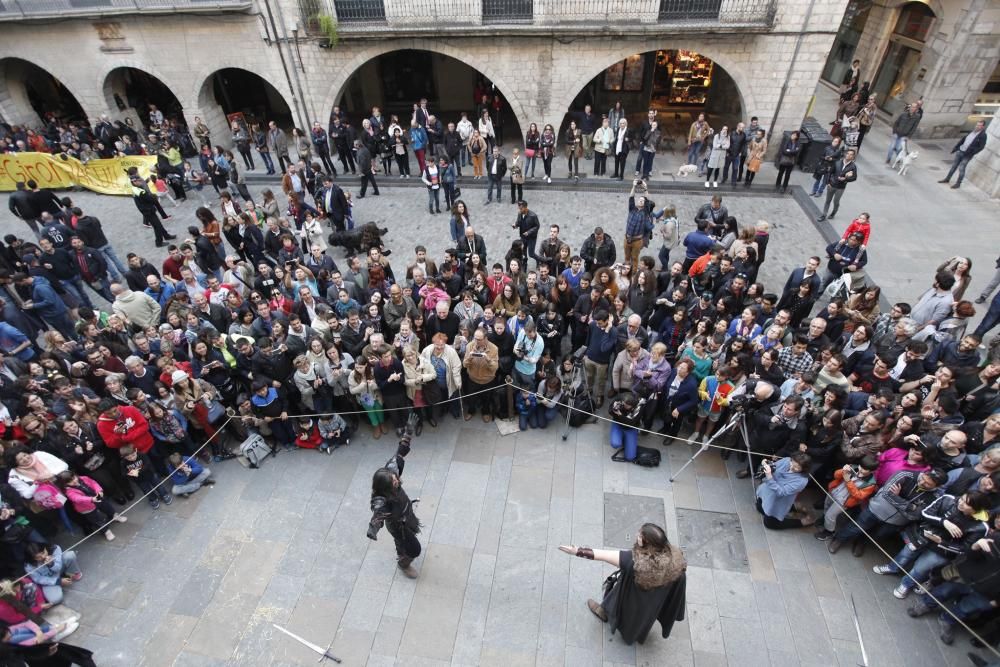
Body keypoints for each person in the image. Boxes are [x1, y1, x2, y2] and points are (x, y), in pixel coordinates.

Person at [558, 523, 686, 645]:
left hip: (633, 599)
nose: (637, 535)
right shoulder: (676, 562)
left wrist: (577, 551)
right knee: (645, 617)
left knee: (621, 608)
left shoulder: (634, 562)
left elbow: (602, 555)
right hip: (655, 602)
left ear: (647, 543)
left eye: (640, 535)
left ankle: (604, 613)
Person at [367, 439, 422, 578]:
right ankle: (403, 563)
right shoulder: (382, 500)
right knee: (415, 549)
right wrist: (373, 529)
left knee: (406, 538)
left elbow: (399, 455)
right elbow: (378, 515)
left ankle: (401, 550)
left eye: (394, 478)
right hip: (398, 525)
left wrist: (407, 435)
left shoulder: (390, 473)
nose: (396, 480)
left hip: (407, 515)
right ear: (385, 487)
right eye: (393, 481)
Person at [756, 452, 813, 529]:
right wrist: (766, 464)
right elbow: (775, 467)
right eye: (792, 463)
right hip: (767, 491)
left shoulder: (802, 481)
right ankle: (795, 507)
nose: (792, 467)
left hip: (779, 499)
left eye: (797, 467)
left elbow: (781, 492)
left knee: (769, 524)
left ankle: (802, 522)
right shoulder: (787, 460)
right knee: (759, 507)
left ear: (804, 469)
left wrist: (769, 476)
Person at [938, 120, 988, 189]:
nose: (977, 126)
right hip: (960, 151)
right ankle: (947, 179)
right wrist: (956, 148)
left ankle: (958, 183)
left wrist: (972, 152)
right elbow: (963, 140)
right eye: (977, 125)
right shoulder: (972, 131)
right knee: (953, 166)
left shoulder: (983, 135)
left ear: (983, 127)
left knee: (961, 168)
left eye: (979, 125)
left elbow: (981, 147)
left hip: (967, 155)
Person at [817, 149, 858, 222]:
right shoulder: (837, 162)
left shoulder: (853, 166)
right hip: (832, 184)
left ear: (853, 157)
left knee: (836, 201)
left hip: (840, 188)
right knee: (827, 200)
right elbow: (830, 172)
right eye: (848, 153)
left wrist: (845, 179)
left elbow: (854, 178)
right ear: (845, 154)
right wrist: (828, 182)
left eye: (851, 154)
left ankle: (833, 212)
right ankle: (824, 214)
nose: (849, 155)